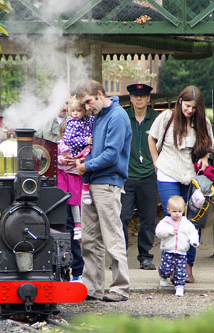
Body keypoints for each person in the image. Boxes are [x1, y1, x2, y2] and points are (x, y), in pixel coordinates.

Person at [147, 85, 214, 283]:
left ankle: (187, 266)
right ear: (180, 102)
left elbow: (208, 146)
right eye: (187, 106)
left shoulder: (203, 122)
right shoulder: (167, 117)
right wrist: (155, 162)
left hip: (192, 176)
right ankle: (171, 264)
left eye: (194, 107)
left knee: (193, 219)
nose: (190, 110)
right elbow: (152, 138)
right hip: (168, 172)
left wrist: (205, 159)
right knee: (174, 217)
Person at [75, 80, 132, 302]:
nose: (87, 107)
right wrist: (83, 160)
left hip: (107, 184)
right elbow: (99, 152)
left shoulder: (117, 116)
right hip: (93, 183)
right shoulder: (99, 116)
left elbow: (111, 155)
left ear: (100, 94)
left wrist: (85, 166)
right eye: (83, 104)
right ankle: (92, 288)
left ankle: (120, 288)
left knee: (112, 237)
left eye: (88, 101)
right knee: (89, 238)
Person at [120, 83, 159, 270]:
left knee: (148, 218)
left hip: (149, 175)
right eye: (135, 96)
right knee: (122, 216)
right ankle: (120, 255)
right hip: (126, 176)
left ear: (148, 99)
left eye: (143, 96)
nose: (139, 99)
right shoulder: (123, 117)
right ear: (131, 98)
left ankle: (145, 256)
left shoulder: (157, 118)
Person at [56, 120, 85, 282]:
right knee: (64, 228)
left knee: (73, 229)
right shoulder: (58, 147)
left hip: (74, 183)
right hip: (61, 186)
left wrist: (76, 161)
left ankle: (77, 270)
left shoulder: (80, 149)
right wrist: (60, 160)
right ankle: (63, 270)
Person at [156, 196, 199, 297]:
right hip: (168, 250)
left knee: (181, 270)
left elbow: (193, 233)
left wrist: (194, 241)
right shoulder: (165, 222)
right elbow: (158, 232)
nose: (177, 214)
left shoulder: (186, 223)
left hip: (181, 252)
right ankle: (163, 276)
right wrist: (169, 232)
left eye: (179, 211)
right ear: (169, 210)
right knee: (166, 268)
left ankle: (179, 286)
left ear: (183, 211)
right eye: (174, 211)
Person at [63, 97, 95, 210]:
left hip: (89, 149)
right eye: (73, 111)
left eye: (78, 110)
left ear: (85, 110)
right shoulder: (72, 123)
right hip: (78, 152)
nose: (75, 113)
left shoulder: (90, 119)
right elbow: (68, 139)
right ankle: (85, 188)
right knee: (85, 164)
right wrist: (85, 140)